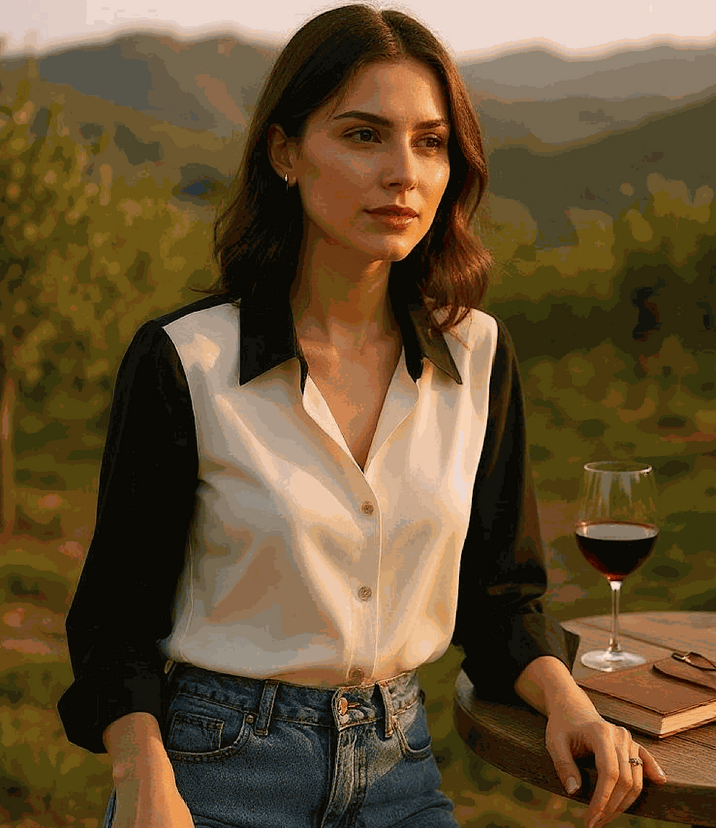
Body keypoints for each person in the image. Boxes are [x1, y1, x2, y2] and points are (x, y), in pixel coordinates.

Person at [57, 5, 668, 828]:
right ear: (285, 152)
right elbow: (114, 626)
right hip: (212, 771)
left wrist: (571, 703)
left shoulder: (480, 354)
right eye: (361, 135)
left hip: (399, 774)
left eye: (430, 141)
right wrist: (142, 777)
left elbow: (501, 599)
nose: (403, 175)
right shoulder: (185, 361)